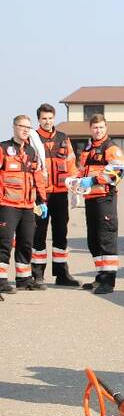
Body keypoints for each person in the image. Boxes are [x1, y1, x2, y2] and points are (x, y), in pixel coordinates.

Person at [76, 114, 124, 294]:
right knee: (94, 240)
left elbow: (119, 171)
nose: (98, 131)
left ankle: (109, 281)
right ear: (90, 129)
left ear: (106, 128)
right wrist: (77, 184)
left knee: (106, 240)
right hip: (90, 199)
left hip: (105, 199)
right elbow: (81, 172)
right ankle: (100, 277)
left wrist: (93, 180)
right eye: (95, 128)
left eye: (102, 127)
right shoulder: (88, 149)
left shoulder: (111, 148)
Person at [30, 103, 79, 286]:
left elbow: (71, 164)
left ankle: (61, 274)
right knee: (38, 234)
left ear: (54, 118)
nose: (47, 121)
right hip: (40, 195)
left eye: (50, 118)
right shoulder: (32, 139)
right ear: (39, 119)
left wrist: (75, 187)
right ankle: (38, 274)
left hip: (59, 194)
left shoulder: (63, 138)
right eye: (44, 118)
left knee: (61, 233)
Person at [0, 115, 48, 294]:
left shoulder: (31, 152)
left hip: (27, 206)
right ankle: (1, 280)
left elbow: (37, 178)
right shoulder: (3, 149)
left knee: (26, 242)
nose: (26, 130)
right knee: (4, 243)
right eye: (22, 126)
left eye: (28, 127)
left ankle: (23, 278)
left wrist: (42, 201)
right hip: (7, 204)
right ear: (14, 127)